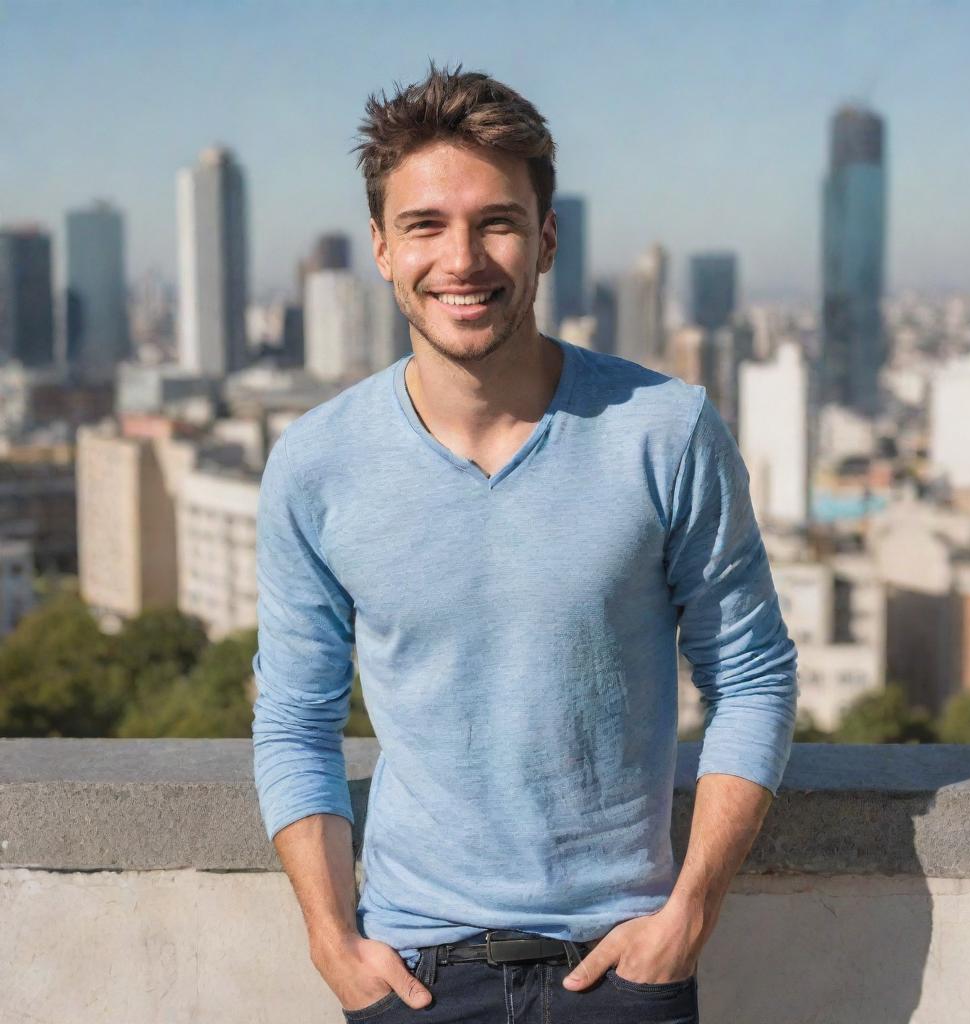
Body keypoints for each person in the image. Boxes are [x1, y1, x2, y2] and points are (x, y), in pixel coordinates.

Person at [251, 60, 798, 1024]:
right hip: (412, 972)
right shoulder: (317, 464)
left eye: (496, 222)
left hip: (622, 967)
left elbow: (752, 676)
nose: (461, 259)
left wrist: (687, 917)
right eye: (425, 225)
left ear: (545, 238)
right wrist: (332, 942)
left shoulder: (665, 430)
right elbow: (297, 719)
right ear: (381, 248)